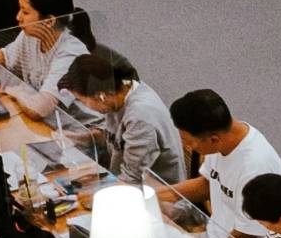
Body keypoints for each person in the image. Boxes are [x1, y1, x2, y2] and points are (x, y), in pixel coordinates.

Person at [168, 85, 281, 238]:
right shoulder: (221, 140)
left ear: (213, 139)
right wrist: (154, 195)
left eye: (188, 142)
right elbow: (207, 184)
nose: (185, 146)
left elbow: (246, 237)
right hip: (214, 236)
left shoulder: (255, 167)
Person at [58, 49, 187, 189]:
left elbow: (131, 180)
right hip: (127, 183)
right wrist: (81, 138)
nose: (84, 105)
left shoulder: (140, 117)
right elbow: (116, 138)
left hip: (158, 197)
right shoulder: (118, 94)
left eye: (82, 101)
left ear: (101, 96)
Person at [0, 0, 93, 116]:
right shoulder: (32, 34)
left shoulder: (71, 54)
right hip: (50, 120)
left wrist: (15, 91)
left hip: (76, 127)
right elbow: (5, 56)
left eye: (25, 12)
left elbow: (39, 109)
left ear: (48, 21)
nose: (18, 17)